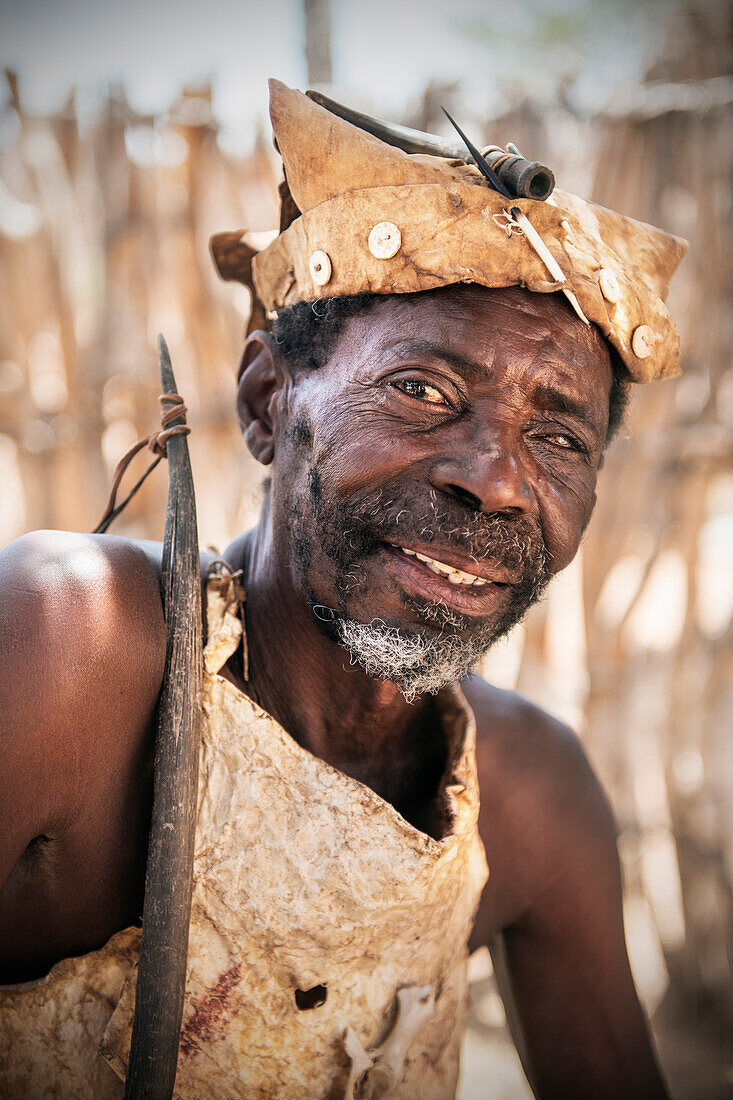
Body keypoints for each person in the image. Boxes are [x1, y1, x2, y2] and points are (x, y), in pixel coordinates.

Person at [0, 81, 686, 1099]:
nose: (494, 477)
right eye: (421, 389)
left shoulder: (531, 797)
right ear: (268, 397)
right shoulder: (72, 645)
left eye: (557, 436)